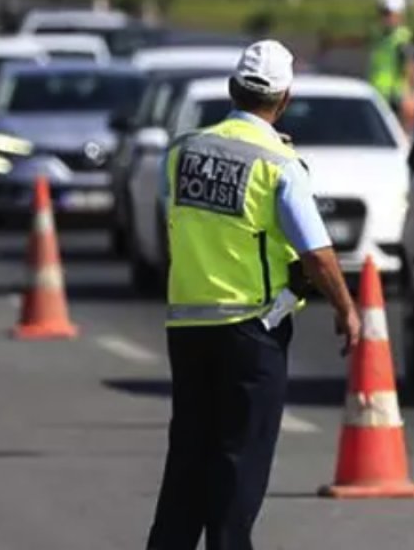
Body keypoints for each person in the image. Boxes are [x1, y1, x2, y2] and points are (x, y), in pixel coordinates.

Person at [146, 39, 363, 550]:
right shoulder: (279, 164)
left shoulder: (181, 153)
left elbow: (181, 220)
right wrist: (346, 309)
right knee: (238, 465)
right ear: (284, 99)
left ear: (231, 90)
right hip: (250, 332)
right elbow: (317, 252)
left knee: (188, 461)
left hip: (188, 328)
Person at [366, 0, 414, 124]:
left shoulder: (402, 38)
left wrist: (412, 94)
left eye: (389, 14)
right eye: (383, 13)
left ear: (400, 16)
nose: (386, 18)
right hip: (376, 91)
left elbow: (411, 65)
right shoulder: (378, 34)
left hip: (395, 96)